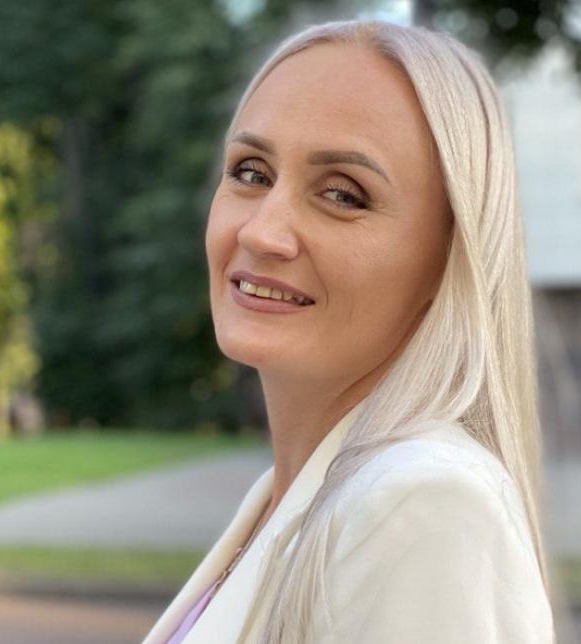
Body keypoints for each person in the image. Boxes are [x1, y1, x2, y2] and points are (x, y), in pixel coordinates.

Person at [143, 18, 556, 644]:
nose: (262, 232)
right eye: (251, 172)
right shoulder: (299, 497)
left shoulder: (422, 504)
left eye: (342, 194)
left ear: (450, 259)